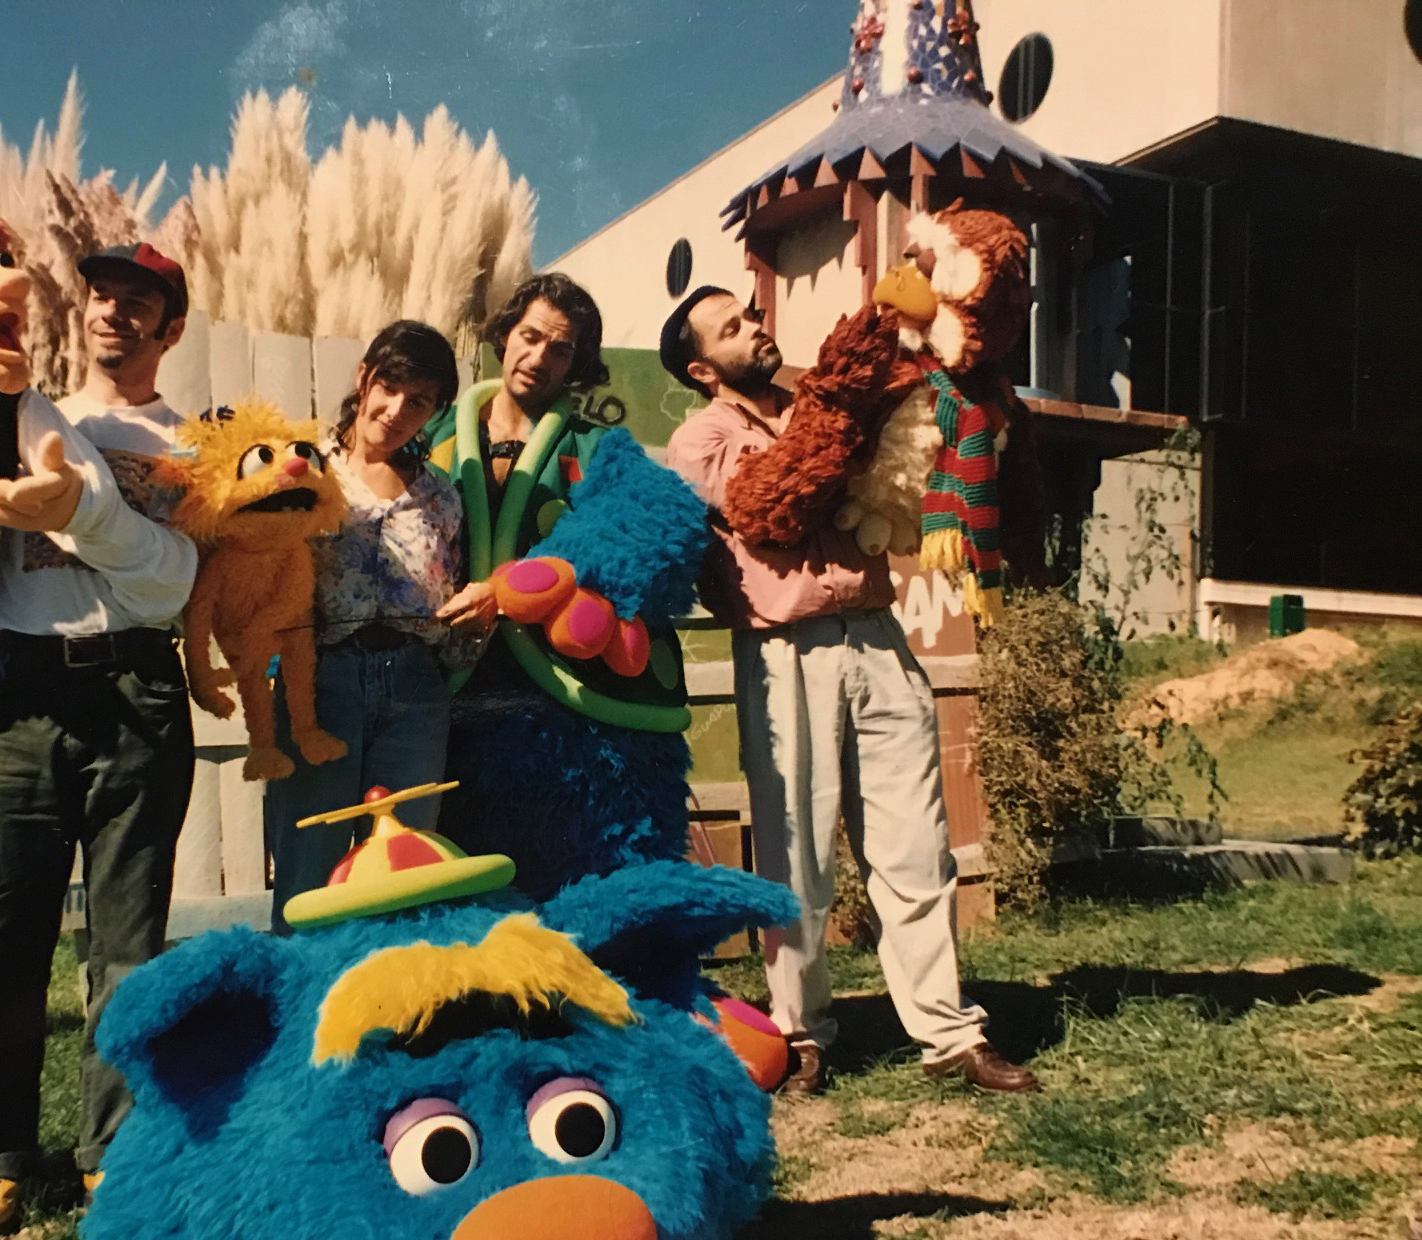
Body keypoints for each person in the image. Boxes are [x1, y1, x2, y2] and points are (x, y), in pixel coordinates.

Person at [661, 285, 1038, 1095]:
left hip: (875, 631)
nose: (754, 329)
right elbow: (772, 508)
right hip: (783, 649)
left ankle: (950, 1034)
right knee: (794, 853)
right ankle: (801, 1035)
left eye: (751, 315)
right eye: (731, 329)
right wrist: (843, 428)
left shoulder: (818, 400)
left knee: (917, 842)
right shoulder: (701, 439)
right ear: (701, 369)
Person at [0, 243, 201, 1240]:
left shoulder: (193, 444)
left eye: (139, 303)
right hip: (23, 687)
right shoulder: (23, 415)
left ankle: (112, 1155)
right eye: (101, 296)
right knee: (2, 947)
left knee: (127, 952)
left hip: (137, 687)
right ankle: (1, 1161)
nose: (113, 313)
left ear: (169, 328)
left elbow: (193, 576)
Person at [424, 272, 704, 899]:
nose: (539, 357)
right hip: (454, 687)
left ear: (577, 363)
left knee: (584, 858)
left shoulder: (595, 444)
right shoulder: (431, 435)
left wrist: (521, 587)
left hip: (566, 693)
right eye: (530, 337)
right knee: (461, 864)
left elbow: (658, 517)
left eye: (560, 348)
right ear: (505, 334)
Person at [265, 320, 488, 923]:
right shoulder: (303, 470)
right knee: (308, 866)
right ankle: (300, 984)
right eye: (389, 387)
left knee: (406, 867)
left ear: (434, 412)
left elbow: (452, 600)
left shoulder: (441, 497)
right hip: (321, 683)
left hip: (416, 690)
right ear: (364, 377)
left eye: (419, 402)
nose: (396, 411)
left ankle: (393, 984)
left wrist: (473, 626)